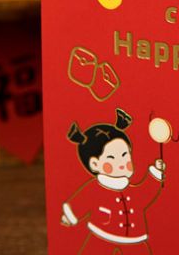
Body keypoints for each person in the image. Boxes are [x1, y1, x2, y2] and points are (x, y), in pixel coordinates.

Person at [62, 109, 165, 254]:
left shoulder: (132, 191)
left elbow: (146, 193)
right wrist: (70, 216)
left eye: (125, 155)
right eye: (112, 158)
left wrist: (156, 172)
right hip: (101, 237)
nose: (121, 162)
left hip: (135, 241)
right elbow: (81, 201)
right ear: (95, 164)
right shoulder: (94, 189)